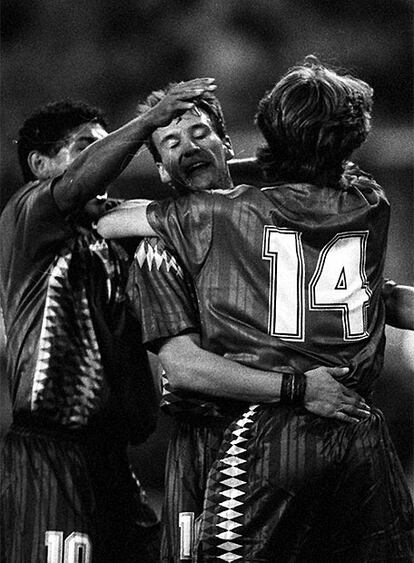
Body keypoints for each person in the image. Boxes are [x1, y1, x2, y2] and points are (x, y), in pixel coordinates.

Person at [97, 58, 414, 562]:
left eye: (200, 132)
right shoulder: (367, 199)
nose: (189, 146)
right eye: (172, 142)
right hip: (248, 431)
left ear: (231, 144)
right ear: (158, 167)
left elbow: (105, 219)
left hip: (266, 436)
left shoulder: (212, 215)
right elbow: (183, 365)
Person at [0, 100, 162, 562]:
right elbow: (75, 185)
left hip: (110, 459)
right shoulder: (28, 216)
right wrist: (148, 121)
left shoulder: (111, 230)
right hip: (51, 453)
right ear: (40, 164)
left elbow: (188, 210)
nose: (102, 164)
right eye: (86, 148)